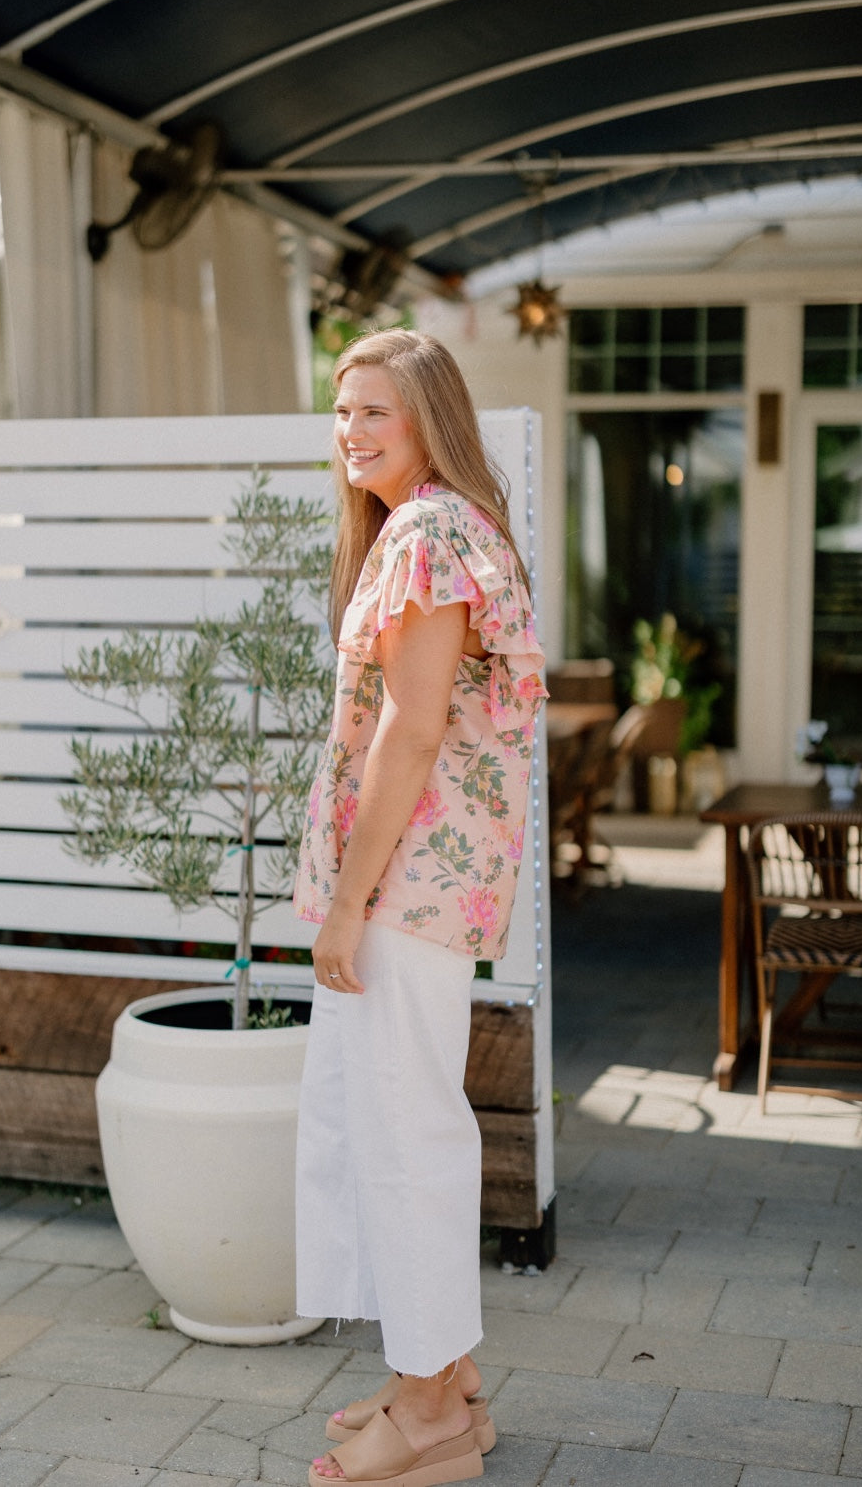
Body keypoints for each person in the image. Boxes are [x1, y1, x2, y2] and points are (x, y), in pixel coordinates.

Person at [293, 328, 546, 1487]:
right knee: (399, 1126)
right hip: (423, 881)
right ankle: (438, 1383)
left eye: (372, 414)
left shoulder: (431, 534)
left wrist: (347, 903)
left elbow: (412, 728)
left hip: (408, 885)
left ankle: (435, 1413)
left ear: (427, 420)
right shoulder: (428, 528)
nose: (349, 434)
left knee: (406, 1139)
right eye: (341, 413)